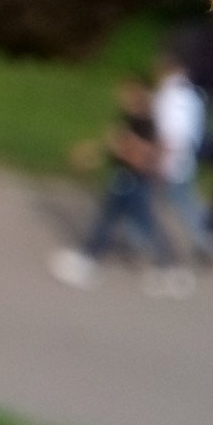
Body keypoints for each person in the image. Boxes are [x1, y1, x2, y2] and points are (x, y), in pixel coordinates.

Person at [50, 79, 186, 293]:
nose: (122, 97)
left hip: (133, 181)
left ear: (140, 95)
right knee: (113, 220)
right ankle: (90, 258)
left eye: (128, 92)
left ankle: (168, 268)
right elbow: (112, 145)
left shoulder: (145, 123)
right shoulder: (129, 119)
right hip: (123, 178)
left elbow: (143, 155)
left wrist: (123, 146)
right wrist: (93, 155)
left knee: (137, 224)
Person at [153, 49, 213, 266]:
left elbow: (172, 132)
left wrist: (160, 160)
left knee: (175, 202)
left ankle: (193, 245)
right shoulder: (190, 93)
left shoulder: (171, 94)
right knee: (187, 201)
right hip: (187, 157)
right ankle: (207, 240)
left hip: (172, 160)